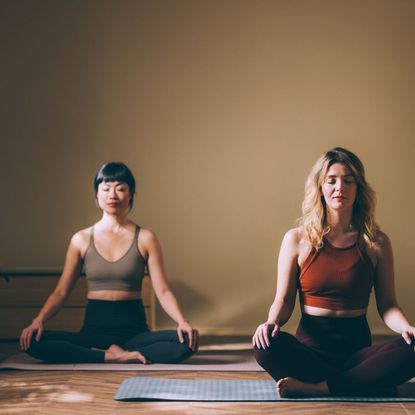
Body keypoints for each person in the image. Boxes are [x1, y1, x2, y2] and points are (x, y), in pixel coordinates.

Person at [253, 147, 415, 397]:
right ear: (321, 188)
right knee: (265, 345)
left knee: (413, 348)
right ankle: (361, 382)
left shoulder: (376, 242)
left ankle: (319, 387)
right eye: (332, 180)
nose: (340, 187)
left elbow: (388, 304)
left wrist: (406, 327)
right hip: (310, 354)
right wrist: (271, 322)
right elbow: (283, 300)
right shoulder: (296, 239)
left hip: (357, 356)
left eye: (348, 181)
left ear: (358, 188)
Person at [20, 162, 198, 364]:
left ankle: (115, 353)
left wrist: (182, 322)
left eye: (121, 188)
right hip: (94, 333)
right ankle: (109, 356)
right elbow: (61, 292)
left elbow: (163, 291)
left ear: (131, 195)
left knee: (187, 341)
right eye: (106, 189)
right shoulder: (81, 239)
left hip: (135, 334)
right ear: (97, 195)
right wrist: (38, 320)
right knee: (32, 340)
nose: (113, 195)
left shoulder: (146, 238)